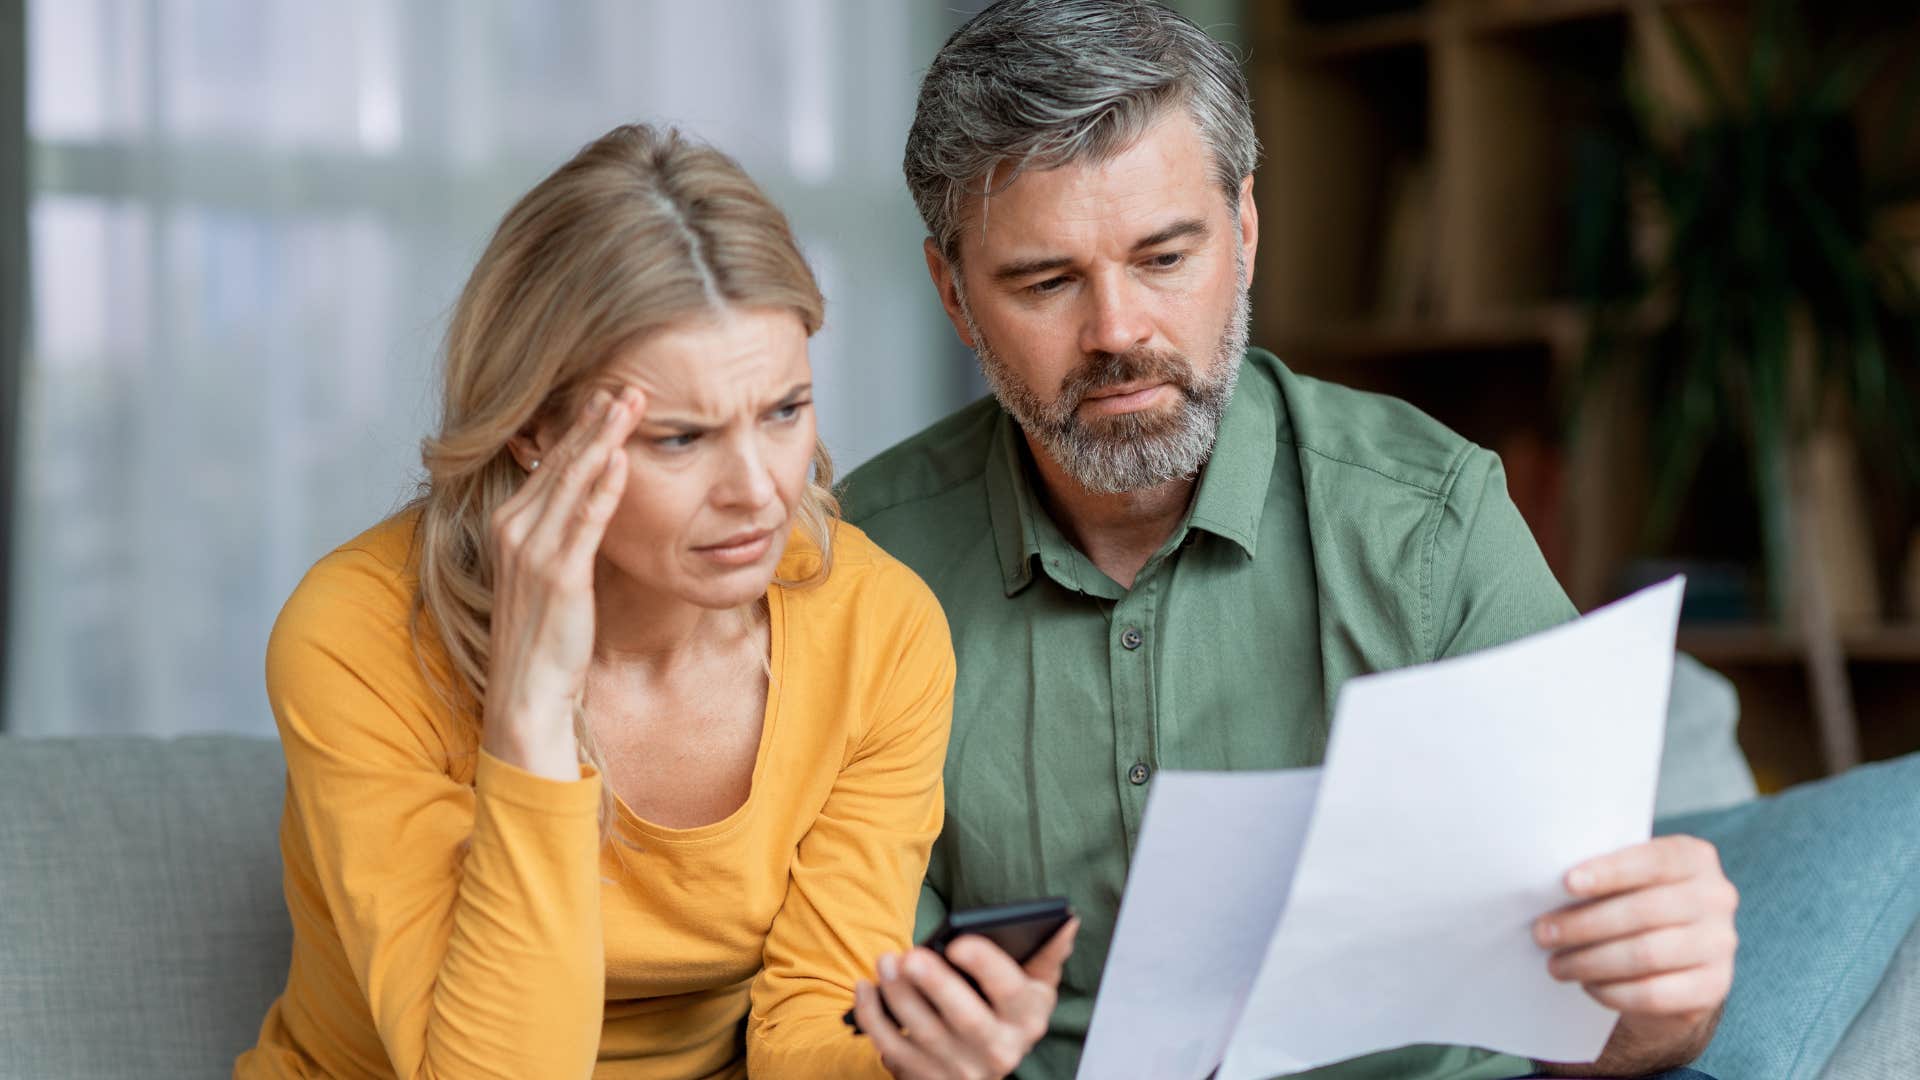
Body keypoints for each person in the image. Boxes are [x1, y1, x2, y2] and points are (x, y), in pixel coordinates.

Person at [838, 3, 1738, 1078]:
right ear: (954, 295)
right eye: (1046, 281)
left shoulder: (1431, 519)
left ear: (1246, 231)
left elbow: (1601, 1029)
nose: (1119, 332)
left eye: (1166, 256)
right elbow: (838, 998)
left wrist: (1666, 1000)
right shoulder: (860, 565)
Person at [235, 123, 1070, 1080]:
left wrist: (909, 1066)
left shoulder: (876, 627)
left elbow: (809, 1026)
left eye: (784, 411)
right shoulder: (359, 632)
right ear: (534, 432)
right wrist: (529, 712)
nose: (757, 492)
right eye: (680, 439)